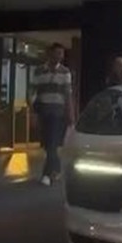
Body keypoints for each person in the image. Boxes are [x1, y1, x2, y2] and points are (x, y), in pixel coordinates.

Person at [30, 43, 74, 186]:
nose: (60, 56)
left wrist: (70, 113)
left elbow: (68, 94)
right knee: (47, 144)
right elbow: (33, 93)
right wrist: (33, 113)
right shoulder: (39, 71)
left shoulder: (65, 72)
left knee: (52, 143)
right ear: (50, 54)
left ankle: (46, 174)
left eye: (62, 53)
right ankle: (56, 168)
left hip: (58, 112)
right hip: (43, 111)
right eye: (58, 53)